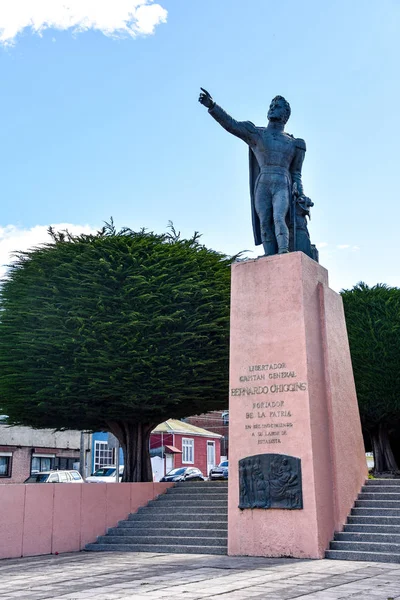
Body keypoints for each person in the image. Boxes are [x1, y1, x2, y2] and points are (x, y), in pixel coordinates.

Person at [199, 89, 307, 256]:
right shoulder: (256, 133)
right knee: (264, 221)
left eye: (277, 106)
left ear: (285, 114)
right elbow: (231, 124)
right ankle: (269, 255)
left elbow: (296, 174)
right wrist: (213, 106)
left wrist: (300, 193)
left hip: (282, 181)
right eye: (271, 105)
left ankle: (284, 253)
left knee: (279, 217)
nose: (272, 108)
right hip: (263, 181)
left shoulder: (295, 143)